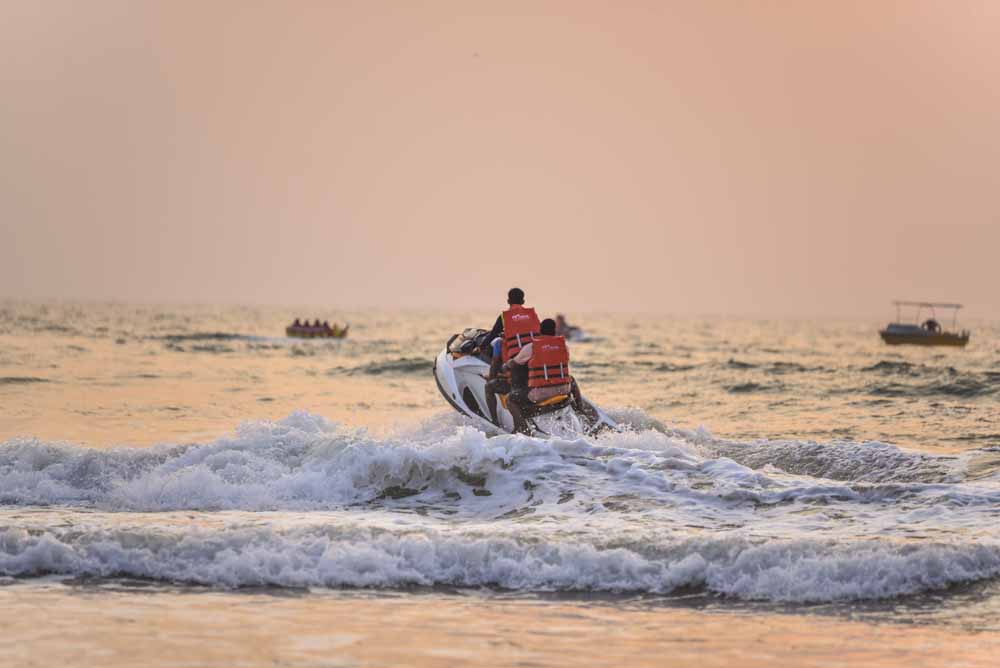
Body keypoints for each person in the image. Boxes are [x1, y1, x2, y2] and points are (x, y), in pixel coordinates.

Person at [502, 318, 593, 434]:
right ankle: (580, 411)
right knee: (572, 379)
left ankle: (522, 428)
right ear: (555, 331)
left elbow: (514, 363)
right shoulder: (564, 346)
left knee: (511, 399)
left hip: (541, 394)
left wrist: (505, 366)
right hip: (564, 390)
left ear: (539, 331)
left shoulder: (531, 347)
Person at [483, 288, 540, 424]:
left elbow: (492, 335)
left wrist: (481, 347)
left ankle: (494, 421)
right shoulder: (532, 315)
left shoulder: (505, 317)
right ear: (523, 301)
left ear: (508, 301)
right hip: (535, 373)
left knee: (489, 387)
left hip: (516, 378)